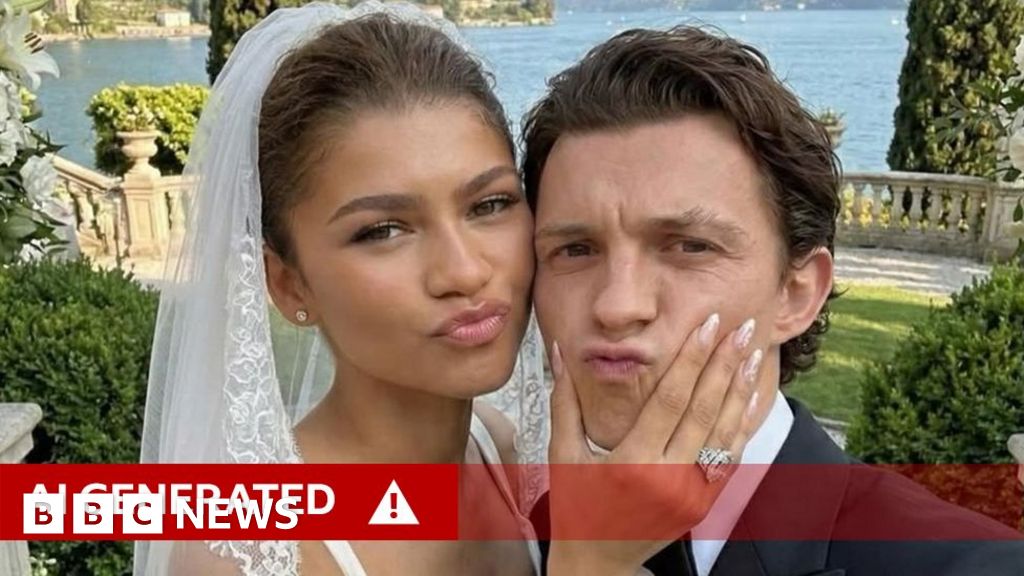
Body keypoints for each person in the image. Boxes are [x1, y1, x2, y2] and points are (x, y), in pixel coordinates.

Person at [523, 25, 1024, 576]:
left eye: (690, 247)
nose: (617, 306)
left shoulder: (975, 564)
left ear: (796, 294)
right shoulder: (528, 535)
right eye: (575, 250)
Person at [135, 3, 547, 575]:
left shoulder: (499, 451)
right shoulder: (242, 554)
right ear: (288, 284)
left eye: (490, 204)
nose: (464, 272)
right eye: (383, 231)